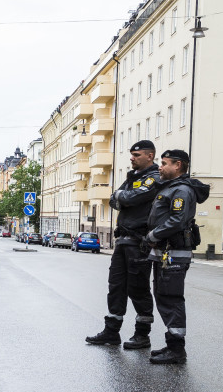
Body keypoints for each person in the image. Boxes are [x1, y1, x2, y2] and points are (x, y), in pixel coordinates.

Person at [86, 140, 160, 349]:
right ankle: (111, 332)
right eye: (131, 155)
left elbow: (132, 198)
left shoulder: (153, 178)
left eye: (136, 155)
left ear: (149, 156)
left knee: (138, 288)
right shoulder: (132, 177)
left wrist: (123, 197)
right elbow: (115, 199)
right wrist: (123, 197)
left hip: (140, 241)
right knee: (116, 287)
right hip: (123, 240)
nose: (132, 158)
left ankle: (142, 335)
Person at [142, 150, 209, 364]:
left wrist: (153, 235)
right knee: (163, 297)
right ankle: (172, 344)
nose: (159, 167)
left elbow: (177, 221)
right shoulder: (170, 188)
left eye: (164, 163)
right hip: (165, 252)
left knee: (171, 299)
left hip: (174, 253)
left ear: (178, 165)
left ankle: (177, 350)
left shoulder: (181, 190)